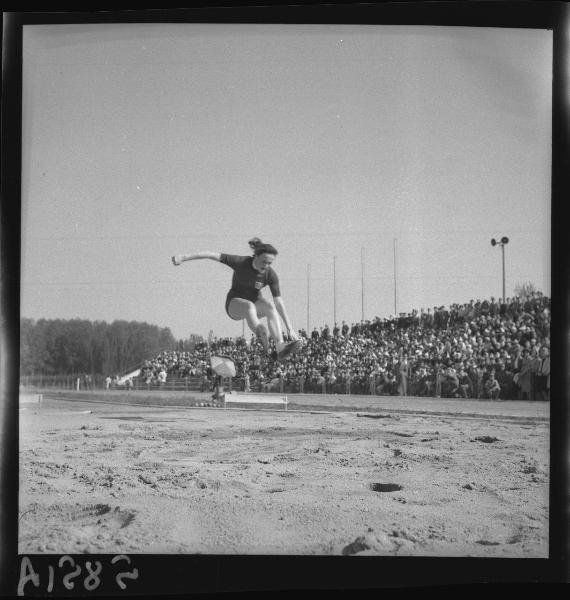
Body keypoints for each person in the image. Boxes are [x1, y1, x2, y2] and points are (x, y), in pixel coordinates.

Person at [172, 238, 300, 361]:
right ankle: (261, 334)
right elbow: (210, 254)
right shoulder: (240, 262)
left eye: (269, 263)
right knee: (249, 306)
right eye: (264, 261)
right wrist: (183, 257)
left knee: (270, 305)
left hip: (255, 305)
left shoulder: (270, 274)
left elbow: (279, 302)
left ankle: (280, 347)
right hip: (234, 305)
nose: (266, 266)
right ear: (255, 256)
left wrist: (289, 328)